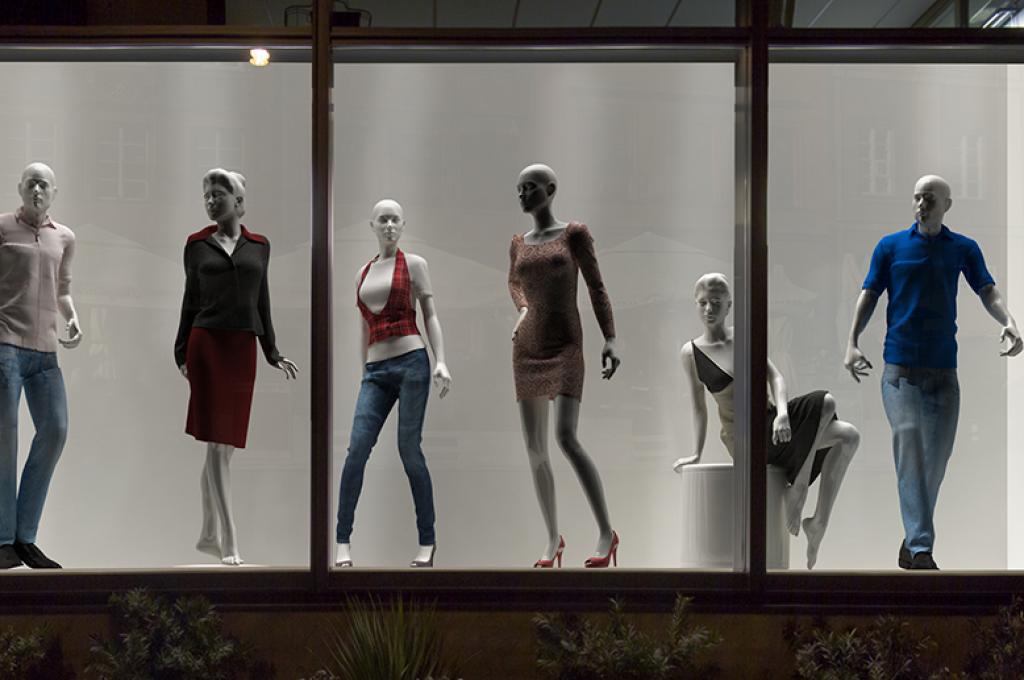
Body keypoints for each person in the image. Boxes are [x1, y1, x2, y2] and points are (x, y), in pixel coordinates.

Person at [844, 174, 1021, 570]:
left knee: (935, 463)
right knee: (908, 440)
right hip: (900, 371)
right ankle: (922, 548)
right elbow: (869, 293)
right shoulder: (890, 247)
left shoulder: (963, 248)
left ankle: (910, 543)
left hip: (944, 373)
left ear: (947, 205)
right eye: (917, 198)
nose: (921, 205)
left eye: (929, 199)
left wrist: (1008, 320)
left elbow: (986, 289)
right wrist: (851, 341)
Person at [675, 273, 859, 569]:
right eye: (703, 303)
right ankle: (799, 488)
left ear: (729, 305)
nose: (709, 309)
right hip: (746, 439)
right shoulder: (691, 354)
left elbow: (776, 378)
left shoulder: (744, 337)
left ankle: (818, 522)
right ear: (695, 304)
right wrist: (696, 452)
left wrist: (783, 414)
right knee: (828, 406)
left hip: (773, 424)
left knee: (849, 434)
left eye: (716, 302)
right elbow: (698, 408)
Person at [175, 168, 298, 566]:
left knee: (225, 446)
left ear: (238, 201)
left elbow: (262, 300)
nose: (211, 201)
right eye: (207, 195)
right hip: (206, 344)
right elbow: (190, 299)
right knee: (215, 441)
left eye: (218, 195)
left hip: (242, 347)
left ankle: (207, 531)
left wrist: (272, 351)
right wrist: (181, 350)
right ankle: (228, 536)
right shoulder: (196, 245)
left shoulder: (259, 246)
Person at [508, 163, 621, 568]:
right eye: (520, 189)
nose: (523, 194)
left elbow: (596, 286)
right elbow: (514, 282)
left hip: (565, 346)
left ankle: (606, 532)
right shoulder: (518, 243)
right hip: (527, 348)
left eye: (531, 187)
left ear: (550, 189)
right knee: (535, 448)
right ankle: (552, 538)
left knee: (566, 437)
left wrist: (610, 337)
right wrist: (523, 309)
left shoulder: (574, 234)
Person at [335, 199, 451, 569]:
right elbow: (363, 329)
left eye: (395, 219)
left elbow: (430, 315)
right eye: (382, 219)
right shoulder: (362, 274)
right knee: (356, 450)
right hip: (375, 371)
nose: (389, 225)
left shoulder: (415, 264)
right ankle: (342, 540)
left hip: (412, 362)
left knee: (409, 450)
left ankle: (427, 541)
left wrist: (441, 360)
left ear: (403, 225)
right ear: (372, 225)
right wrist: (364, 372)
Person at [0, 162, 80, 570]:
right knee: (5, 438)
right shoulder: (2, 228)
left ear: (54, 192)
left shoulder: (64, 237)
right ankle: (3, 539)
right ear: (20, 187)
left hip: (46, 352)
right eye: (31, 183)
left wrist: (72, 316)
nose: (37, 189)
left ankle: (24, 537)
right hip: (6, 345)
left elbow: (63, 289)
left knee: (55, 430)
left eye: (44, 184)